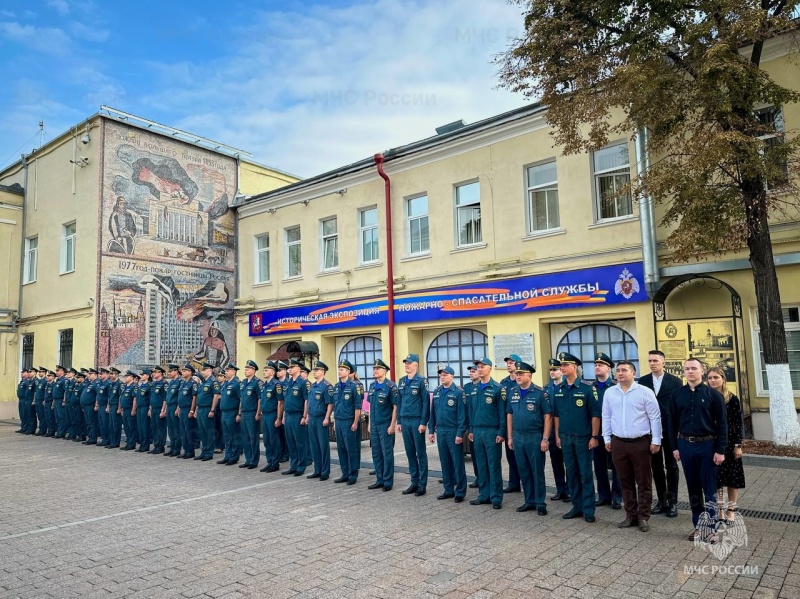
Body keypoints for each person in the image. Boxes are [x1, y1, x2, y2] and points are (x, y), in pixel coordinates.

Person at [670, 358, 728, 542]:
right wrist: (674, 447)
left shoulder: (713, 395)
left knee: (709, 488)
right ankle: (698, 527)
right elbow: (671, 423)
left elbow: (723, 425)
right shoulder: (677, 395)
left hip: (707, 446)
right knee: (693, 488)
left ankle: (712, 528)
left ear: (701, 371)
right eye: (687, 369)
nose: (690, 371)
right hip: (685, 445)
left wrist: (720, 450)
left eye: (694, 368)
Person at [602, 360, 662, 532]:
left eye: (624, 370)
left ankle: (643, 516)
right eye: (618, 370)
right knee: (625, 481)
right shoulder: (610, 393)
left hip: (640, 442)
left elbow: (655, 417)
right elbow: (606, 416)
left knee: (643, 481)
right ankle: (630, 515)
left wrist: (656, 440)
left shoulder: (644, 392)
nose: (620, 373)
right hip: (618, 442)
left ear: (633, 373)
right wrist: (607, 438)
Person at [553, 352, 600, 523]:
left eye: (566, 365)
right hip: (566, 437)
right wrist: (558, 435)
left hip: (583, 438)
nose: (562, 368)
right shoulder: (559, 389)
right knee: (571, 473)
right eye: (561, 365)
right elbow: (556, 415)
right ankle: (577, 506)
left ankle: (588, 509)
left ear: (575, 367)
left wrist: (594, 436)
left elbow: (595, 415)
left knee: (585, 473)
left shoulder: (587, 388)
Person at [639, 350, 682, 518]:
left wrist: (678, 429)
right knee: (655, 466)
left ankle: (673, 502)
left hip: (670, 430)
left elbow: (679, 407)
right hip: (650, 431)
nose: (652, 363)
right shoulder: (643, 382)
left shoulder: (675, 382)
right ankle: (662, 501)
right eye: (650, 360)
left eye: (655, 360)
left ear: (663, 362)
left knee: (671, 466)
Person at [506, 361, 552, 515]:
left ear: (529, 375)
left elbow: (548, 417)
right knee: (524, 470)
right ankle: (529, 500)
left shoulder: (540, 393)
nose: (517, 376)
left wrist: (545, 439)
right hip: (518, 436)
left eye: (521, 374)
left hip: (534, 436)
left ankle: (540, 502)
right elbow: (510, 415)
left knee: (537, 470)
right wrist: (510, 437)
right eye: (516, 374)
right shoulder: (513, 392)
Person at [707, 366, 745, 523]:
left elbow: (738, 423)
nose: (713, 380)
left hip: (730, 444)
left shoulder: (732, 398)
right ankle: (720, 510)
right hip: (712, 443)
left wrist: (738, 445)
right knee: (717, 479)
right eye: (710, 378)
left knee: (732, 478)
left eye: (716, 377)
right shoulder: (705, 396)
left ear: (723, 379)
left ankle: (731, 510)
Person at [467, 357, 507, 509]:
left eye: (483, 366)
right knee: (481, 464)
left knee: (493, 464)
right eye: (478, 366)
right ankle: (484, 494)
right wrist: (471, 429)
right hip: (477, 431)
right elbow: (471, 411)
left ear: (490, 368)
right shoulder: (474, 389)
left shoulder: (497, 388)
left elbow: (502, 413)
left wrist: (501, 431)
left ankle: (496, 497)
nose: (480, 369)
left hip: (492, 431)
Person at [428, 366, 467, 502]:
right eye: (441, 375)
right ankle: (448, 489)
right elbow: (432, 413)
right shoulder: (437, 391)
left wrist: (460, 433)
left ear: (452, 376)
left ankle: (460, 491)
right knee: (445, 462)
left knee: (457, 462)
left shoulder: (458, 392)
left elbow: (462, 416)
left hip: (453, 430)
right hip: (441, 431)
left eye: (445, 374)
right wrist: (431, 430)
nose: (442, 377)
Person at [592, 353, 622, 510]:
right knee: (599, 465)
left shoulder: (617, 387)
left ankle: (617, 496)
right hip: (597, 433)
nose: (597, 367)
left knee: (617, 465)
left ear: (609, 368)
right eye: (596, 365)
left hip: (614, 432)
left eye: (601, 365)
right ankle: (603, 495)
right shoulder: (591, 387)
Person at [397, 354, 430, 497]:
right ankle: (414, 482)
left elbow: (425, 402)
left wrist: (423, 422)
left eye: (409, 363)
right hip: (405, 420)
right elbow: (399, 402)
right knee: (410, 453)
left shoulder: (422, 381)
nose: (407, 365)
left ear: (416, 365)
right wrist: (399, 421)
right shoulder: (402, 381)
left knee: (420, 453)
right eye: (405, 363)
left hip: (417, 421)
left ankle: (422, 484)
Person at [367, 359, 400, 492]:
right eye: (374, 368)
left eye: (378, 369)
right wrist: (369, 423)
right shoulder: (372, 386)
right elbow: (370, 406)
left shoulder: (391, 387)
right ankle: (379, 479)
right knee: (376, 453)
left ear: (385, 371)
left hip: (385, 424)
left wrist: (392, 425)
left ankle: (388, 481)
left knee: (387, 453)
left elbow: (395, 407)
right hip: (374, 424)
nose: (375, 371)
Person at [332, 359, 363, 485]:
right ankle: (345, 473)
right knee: (341, 448)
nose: (340, 371)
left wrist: (355, 422)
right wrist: (334, 421)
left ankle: (353, 474)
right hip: (339, 421)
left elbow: (357, 407)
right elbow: (335, 405)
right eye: (339, 369)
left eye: (342, 370)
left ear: (348, 371)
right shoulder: (336, 387)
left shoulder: (354, 386)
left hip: (349, 421)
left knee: (351, 448)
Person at [546, 359, 570, 502]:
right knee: (556, 462)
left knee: (569, 463)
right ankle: (560, 489)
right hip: (552, 432)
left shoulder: (566, 387)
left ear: (561, 371)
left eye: (555, 369)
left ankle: (570, 490)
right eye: (551, 370)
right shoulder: (546, 389)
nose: (553, 372)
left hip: (565, 430)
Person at [306, 361, 334, 481]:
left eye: (316, 370)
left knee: (323, 445)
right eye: (313, 370)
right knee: (314, 445)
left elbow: (329, 404)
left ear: (322, 372)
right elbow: (309, 402)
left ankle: (325, 471)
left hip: (321, 418)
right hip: (312, 418)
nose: (314, 372)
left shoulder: (327, 386)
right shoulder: (312, 386)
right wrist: (307, 416)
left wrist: (327, 417)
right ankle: (317, 470)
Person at [500, 354, 522, 493]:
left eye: (511, 362)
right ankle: (514, 483)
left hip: (520, 424)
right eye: (507, 362)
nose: (508, 365)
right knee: (510, 455)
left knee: (522, 457)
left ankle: (527, 483)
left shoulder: (521, 381)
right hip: (508, 425)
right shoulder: (504, 382)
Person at [190, 363, 221, 462]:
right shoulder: (203, 382)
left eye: (204, 370)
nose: (202, 372)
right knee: (202, 432)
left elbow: (216, 396)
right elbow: (199, 397)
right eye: (202, 370)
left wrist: (212, 409)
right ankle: (204, 451)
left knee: (209, 432)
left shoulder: (213, 381)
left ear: (210, 370)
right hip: (201, 409)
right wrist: (196, 410)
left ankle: (209, 452)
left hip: (208, 409)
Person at [258, 361, 284, 473]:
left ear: (273, 372)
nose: (264, 372)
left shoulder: (276, 385)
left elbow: (280, 402)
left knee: (274, 440)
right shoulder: (264, 385)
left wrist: (278, 417)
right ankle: (269, 461)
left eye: (266, 370)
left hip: (273, 414)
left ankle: (275, 463)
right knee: (267, 440)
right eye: (264, 370)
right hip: (265, 414)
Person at [238, 360, 261, 469]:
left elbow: (259, 399)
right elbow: (241, 399)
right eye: (245, 369)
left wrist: (258, 413)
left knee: (253, 437)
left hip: (252, 413)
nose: (245, 371)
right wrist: (239, 412)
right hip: (244, 412)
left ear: (253, 370)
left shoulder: (257, 382)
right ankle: (248, 459)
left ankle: (254, 460)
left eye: (247, 369)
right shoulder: (243, 382)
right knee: (245, 437)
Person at [218, 364, 242, 465]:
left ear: (234, 371)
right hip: (224, 412)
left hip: (232, 412)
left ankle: (234, 457)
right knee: (227, 436)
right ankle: (227, 455)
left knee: (234, 436)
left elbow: (241, 399)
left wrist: (239, 414)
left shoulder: (236, 383)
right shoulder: (225, 383)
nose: (226, 372)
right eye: (226, 370)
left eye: (228, 370)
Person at [462, 364, 481, 488]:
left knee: (481, 455)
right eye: (470, 372)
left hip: (480, 424)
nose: (471, 373)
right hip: (469, 425)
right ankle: (478, 478)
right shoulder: (466, 387)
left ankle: (485, 479)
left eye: (474, 371)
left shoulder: (481, 387)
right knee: (474, 453)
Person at [177, 364, 198, 459]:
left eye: (185, 371)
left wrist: (192, 410)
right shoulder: (182, 383)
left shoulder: (193, 383)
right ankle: (185, 450)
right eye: (183, 370)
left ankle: (190, 451)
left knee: (189, 431)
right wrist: (178, 408)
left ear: (190, 372)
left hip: (188, 409)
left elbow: (194, 398)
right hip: (182, 408)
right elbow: (180, 397)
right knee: (182, 431)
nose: (183, 372)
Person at [162, 364, 182, 456]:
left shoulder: (179, 382)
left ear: (176, 371)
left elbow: (179, 397)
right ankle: (172, 447)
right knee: (170, 429)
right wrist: (165, 409)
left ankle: (177, 449)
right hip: (169, 406)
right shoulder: (171, 382)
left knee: (175, 428)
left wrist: (178, 408)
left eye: (171, 371)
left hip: (174, 406)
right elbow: (167, 397)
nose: (169, 373)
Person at [148, 366, 168, 454]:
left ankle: (161, 446)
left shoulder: (164, 383)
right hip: (154, 408)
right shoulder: (153, 384)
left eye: (155, 372)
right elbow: (152, 398)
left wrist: (163, 410)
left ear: (160, 373)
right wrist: (150, 409)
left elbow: (165, 398)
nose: (153, 374)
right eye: (153, 372)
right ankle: (156, 445)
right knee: (154, 427)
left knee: (161, 428)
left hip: (160, 408)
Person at [133, 369, 152, 452]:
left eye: (143, 374)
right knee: (140, 427)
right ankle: (142, 444)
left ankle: (145, 445)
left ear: (147, 376)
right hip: (139, 408)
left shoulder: (149, 386)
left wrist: (149, 409)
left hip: (145, 407)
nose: (141, 376)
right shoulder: (140, 386)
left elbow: (150, 398)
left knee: (145, 427)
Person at [80, 368, 100, 446]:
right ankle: (90, 437)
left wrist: (96, 405)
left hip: (91, 406)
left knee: (92, 423)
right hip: (85, 406)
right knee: (88, 422)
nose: (89, 375)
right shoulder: (90, 383)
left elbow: (97, 395)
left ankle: (93, 438)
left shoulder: (96, 383)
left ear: (95, 375)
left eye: (91, 374)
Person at [120, 371, 139, 450]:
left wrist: (133, 410)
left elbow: (135, 399)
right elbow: (121, 398)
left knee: (131, 427)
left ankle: (132, 443)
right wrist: (120, 408)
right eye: (125, 377)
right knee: (126, 427)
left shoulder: (134, 387)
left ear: (132, 378)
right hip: (124, 409)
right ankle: (128, 442)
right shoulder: (125, 386)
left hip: (130, 409)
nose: (126, 378)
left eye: (127, 377)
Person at [106, 367, 123, 449]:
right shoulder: (110, 384)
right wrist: (108, 406)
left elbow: (120, 397)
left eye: (112, 374)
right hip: (111, 405)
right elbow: (109, 396)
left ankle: (116, 442)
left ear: (117, 374)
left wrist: (119, 408)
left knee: (116, 425)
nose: (110, 375)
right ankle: (112, 441)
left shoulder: (120, 384)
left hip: (116, 406)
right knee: (111, 425)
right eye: (110, 374)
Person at [95, 368, 111, 446]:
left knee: (105, 423)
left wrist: (108, 406)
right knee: (101, 423)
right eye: (100, 374)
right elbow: (98, 395)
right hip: (100, 405)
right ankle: (104, 439)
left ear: (106, 374)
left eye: (102, 374)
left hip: (105, 405)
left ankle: (107, 440)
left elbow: (109, 396)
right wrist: (96, 404)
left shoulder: (108, 383)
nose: (100, 375)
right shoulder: (100, 383)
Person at [52, 365, 68, 439]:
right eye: (56, 371)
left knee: (61, 417)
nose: (56, 372)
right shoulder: (58, 380)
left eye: (58, 371)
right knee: (57, 417)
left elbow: (65, 391)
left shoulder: (64, 380)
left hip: (60, 400)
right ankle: (59, 431)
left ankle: (62, 432)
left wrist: (64, 400)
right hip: (56, 400)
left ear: (62, 371)